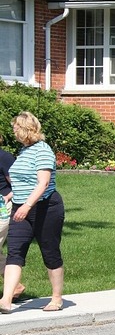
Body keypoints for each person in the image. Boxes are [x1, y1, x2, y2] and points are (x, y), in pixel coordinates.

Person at [0, 112, 65, 313]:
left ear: (25, 129)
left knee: (50, 251)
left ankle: (56, 298)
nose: (13, 132)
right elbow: (21, 179)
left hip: (46, 208)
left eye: (15, 128)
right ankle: (6, 300)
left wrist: (27, 205)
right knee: (15, 252)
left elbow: (43, 183)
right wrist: (13, 195)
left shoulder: (43, 150)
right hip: (20, 207)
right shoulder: (24, 150)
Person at [0, 135, 25, 300]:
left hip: (2, 207)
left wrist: (8, 196)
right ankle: (15, 286)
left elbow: (18, 184)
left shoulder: (4, 157)